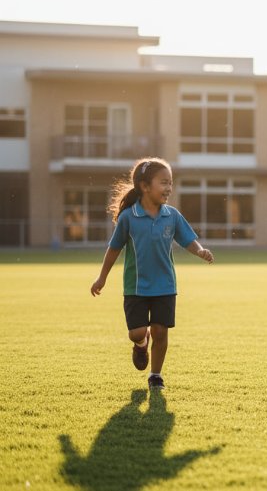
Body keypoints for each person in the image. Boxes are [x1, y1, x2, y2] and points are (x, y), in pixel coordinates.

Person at [90, 157, 214, 390]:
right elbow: (114, 248)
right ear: (145, 186)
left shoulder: (172, 215)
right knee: (136, 332)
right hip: (136, 287)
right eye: (163, 183)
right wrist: (102, 277)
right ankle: (140, 343)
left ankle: (155, 375)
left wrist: (201, 251)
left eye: (171, 183)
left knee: (161, 330)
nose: (169, 188)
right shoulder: (129, 217)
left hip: (165, 285)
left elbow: (188, 239)